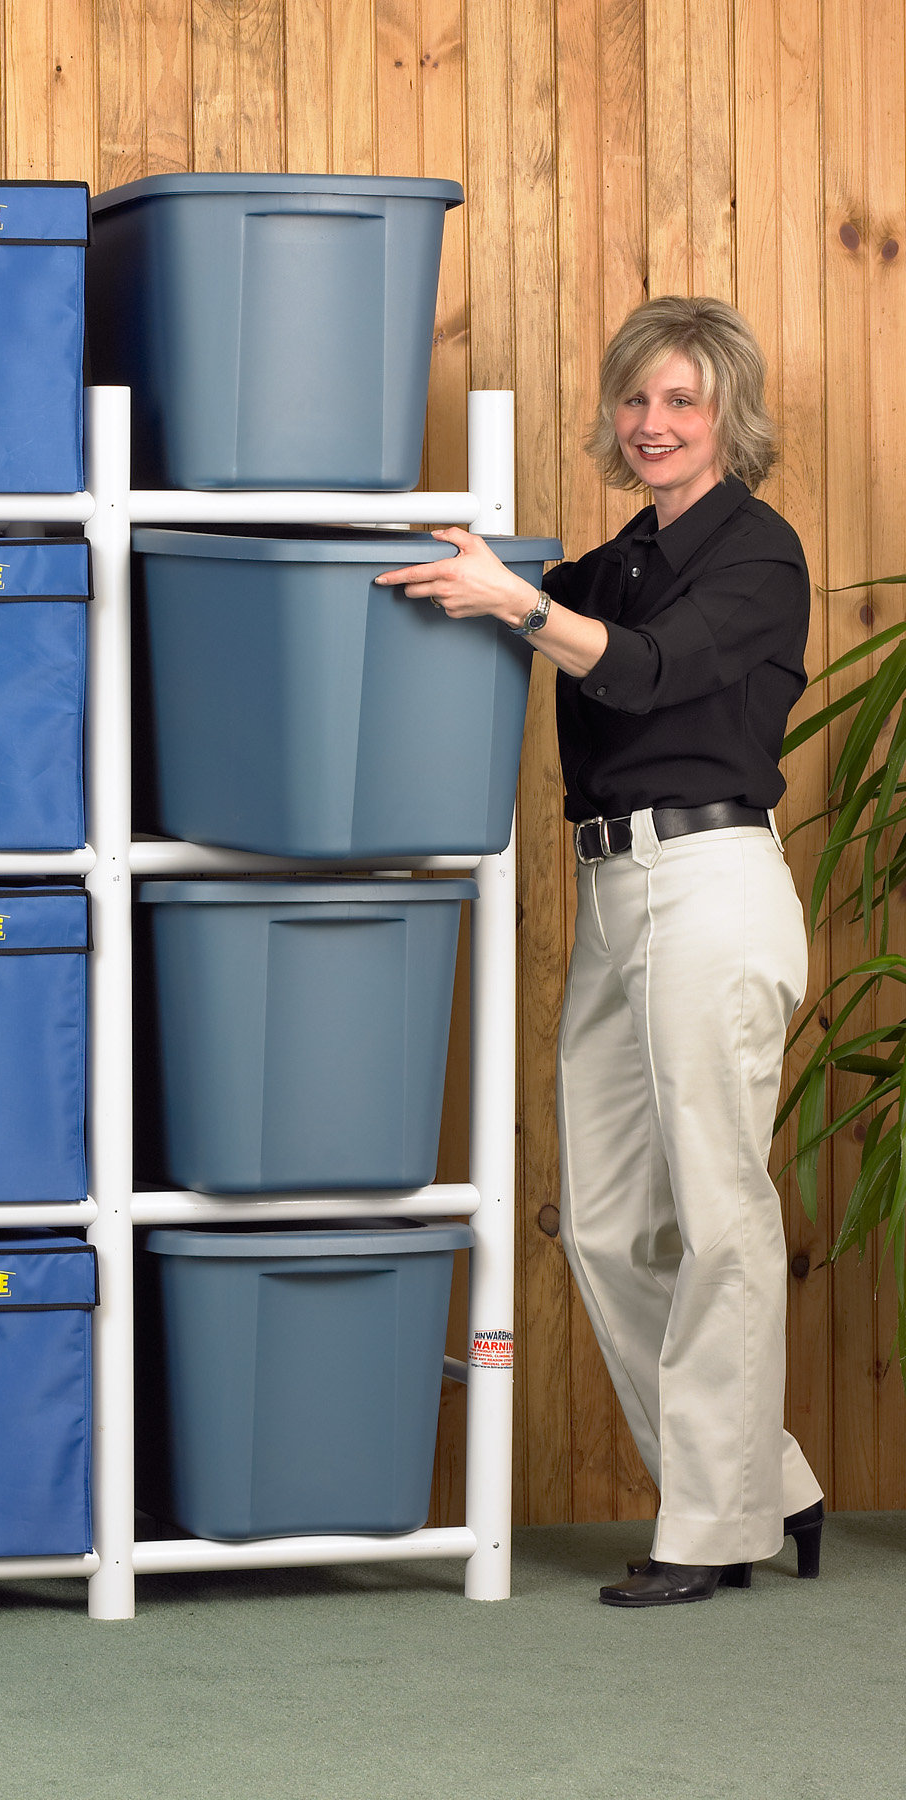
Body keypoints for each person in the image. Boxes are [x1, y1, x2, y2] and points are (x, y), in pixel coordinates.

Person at [376, 295, 825, 1607]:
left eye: (682, 402)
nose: (653, 425)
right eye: (637, 400)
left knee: (721, 1211)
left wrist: (513, 599)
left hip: (716, 884)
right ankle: (769, 1482)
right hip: (616, 891)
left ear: (728, 417)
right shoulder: (625, 551)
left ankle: (714, 1528)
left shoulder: (759, 555)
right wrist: (449, 561)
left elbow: (636, 669)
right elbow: (520, 600)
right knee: (611, 1225)